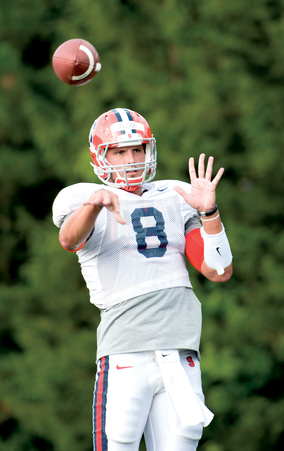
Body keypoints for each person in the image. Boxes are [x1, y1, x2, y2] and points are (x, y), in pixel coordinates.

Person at [52, 108, 233, 451]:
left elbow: (218, 270)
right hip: (125, 353)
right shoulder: (84, 198)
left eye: (138, 149)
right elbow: (69, 240)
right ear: (100, 155)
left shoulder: (175, 196)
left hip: (180, 353)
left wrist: (209, 212)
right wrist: (94, 205)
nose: (131, 159)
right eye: (119, 151)